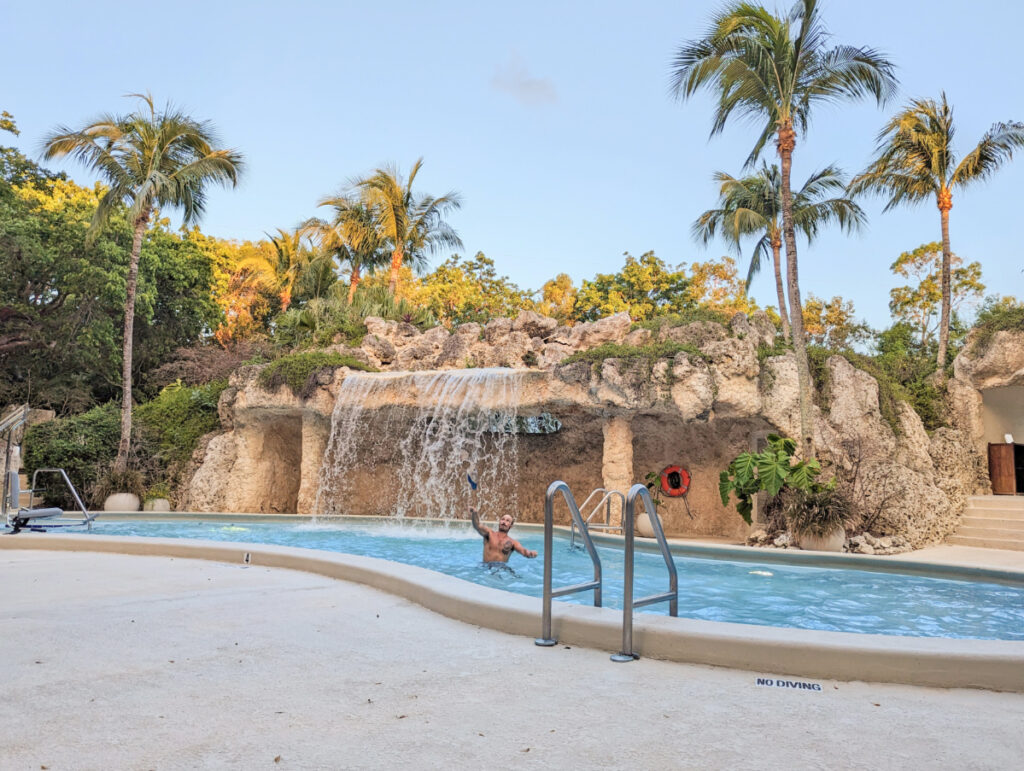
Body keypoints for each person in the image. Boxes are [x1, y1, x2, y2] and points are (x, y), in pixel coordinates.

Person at [469, 507, 537, 563]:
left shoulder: (513, 542)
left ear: (511, 526)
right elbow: (477, 525)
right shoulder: (489, 534)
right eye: (502, 519)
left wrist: (529, 553)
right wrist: (474, 513)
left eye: (507, 521)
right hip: (486, 567)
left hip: (501, 569)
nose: (504, 522)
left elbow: (523, 550)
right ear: (499, 522)